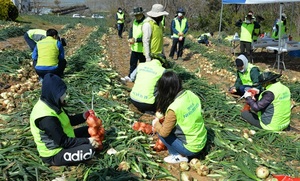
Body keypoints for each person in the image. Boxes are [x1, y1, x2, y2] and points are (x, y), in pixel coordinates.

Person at [30, 73, 100, 166]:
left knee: (89, 130)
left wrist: (84, 115)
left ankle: (86, 143)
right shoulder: (46, 118)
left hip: (65, 137)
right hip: (55, 153)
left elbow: (68, 120)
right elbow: (63, 142)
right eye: (62, 94)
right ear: (54, 94)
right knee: (88, 150)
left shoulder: (52, 103)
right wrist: (88, 141)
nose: (65, 95)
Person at [152, 71, 207, 164]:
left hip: (191, 148)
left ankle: (178, 156)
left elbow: (164, 133)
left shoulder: (174, 108)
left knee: (161, 132)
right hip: (202, 140)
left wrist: (156, 123)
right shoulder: (190, 94)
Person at [121, 7, 146, 83]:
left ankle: (141, 79)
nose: (136, 16)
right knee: (132, 64)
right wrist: (130, 38)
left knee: (142, 65)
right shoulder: (134, 22)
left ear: (141, 14)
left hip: (143, 49)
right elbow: (131, 31)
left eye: (138, 15)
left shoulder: (146, 23)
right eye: (135, 15)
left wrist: (137, 40)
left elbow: (146, 37)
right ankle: (130, 76)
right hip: (134, 48)